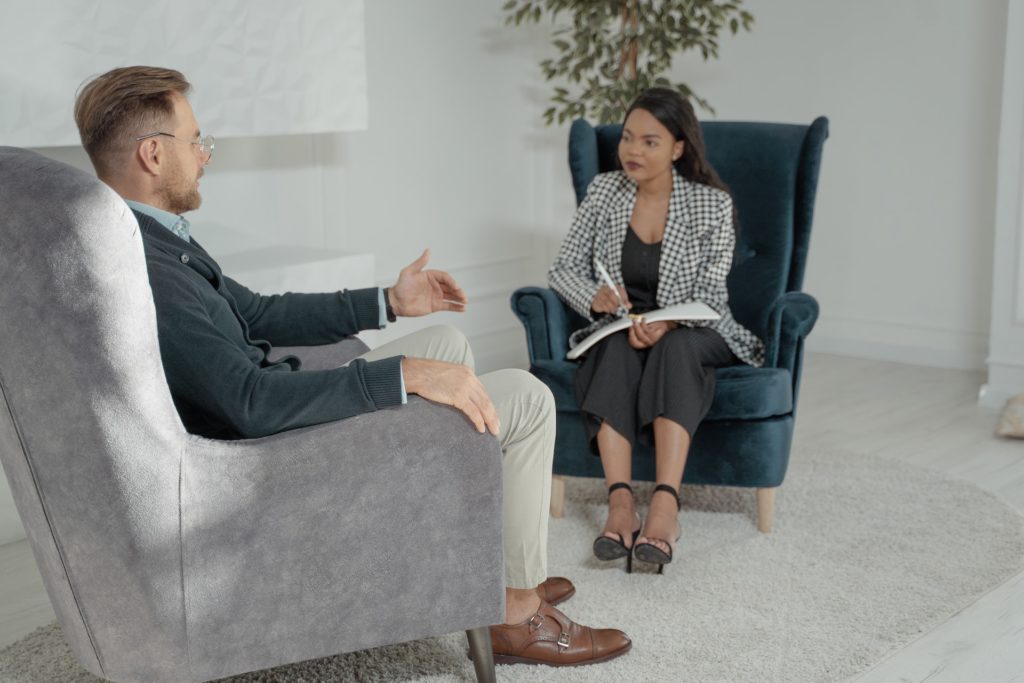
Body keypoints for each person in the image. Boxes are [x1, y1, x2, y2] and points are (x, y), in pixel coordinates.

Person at [72, 65, 631, 666]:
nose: (205, 156)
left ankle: (484, 570)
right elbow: (250, 404)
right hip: (266, 457)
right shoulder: (150, 270)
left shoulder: (151, 237)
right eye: (196, 141)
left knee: (444, 344)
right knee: (524, 395)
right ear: (154, 154)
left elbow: (254, 313)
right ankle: (517, 614)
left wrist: (388, 303)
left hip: (270, 414)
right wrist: (400, 376)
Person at [548, 88, 764, 573]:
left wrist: (667, 320)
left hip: (694, 325)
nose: (633, 151)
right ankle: (620, 506)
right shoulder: (605, 192)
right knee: (613, 352)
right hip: (623, 324)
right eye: (627, 138)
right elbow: (562, 269)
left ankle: (665, 508)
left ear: (678, 148)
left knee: (677, 350)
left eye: (650, 142)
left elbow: (712, 297)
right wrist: (594, 298)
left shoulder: (711, 205)